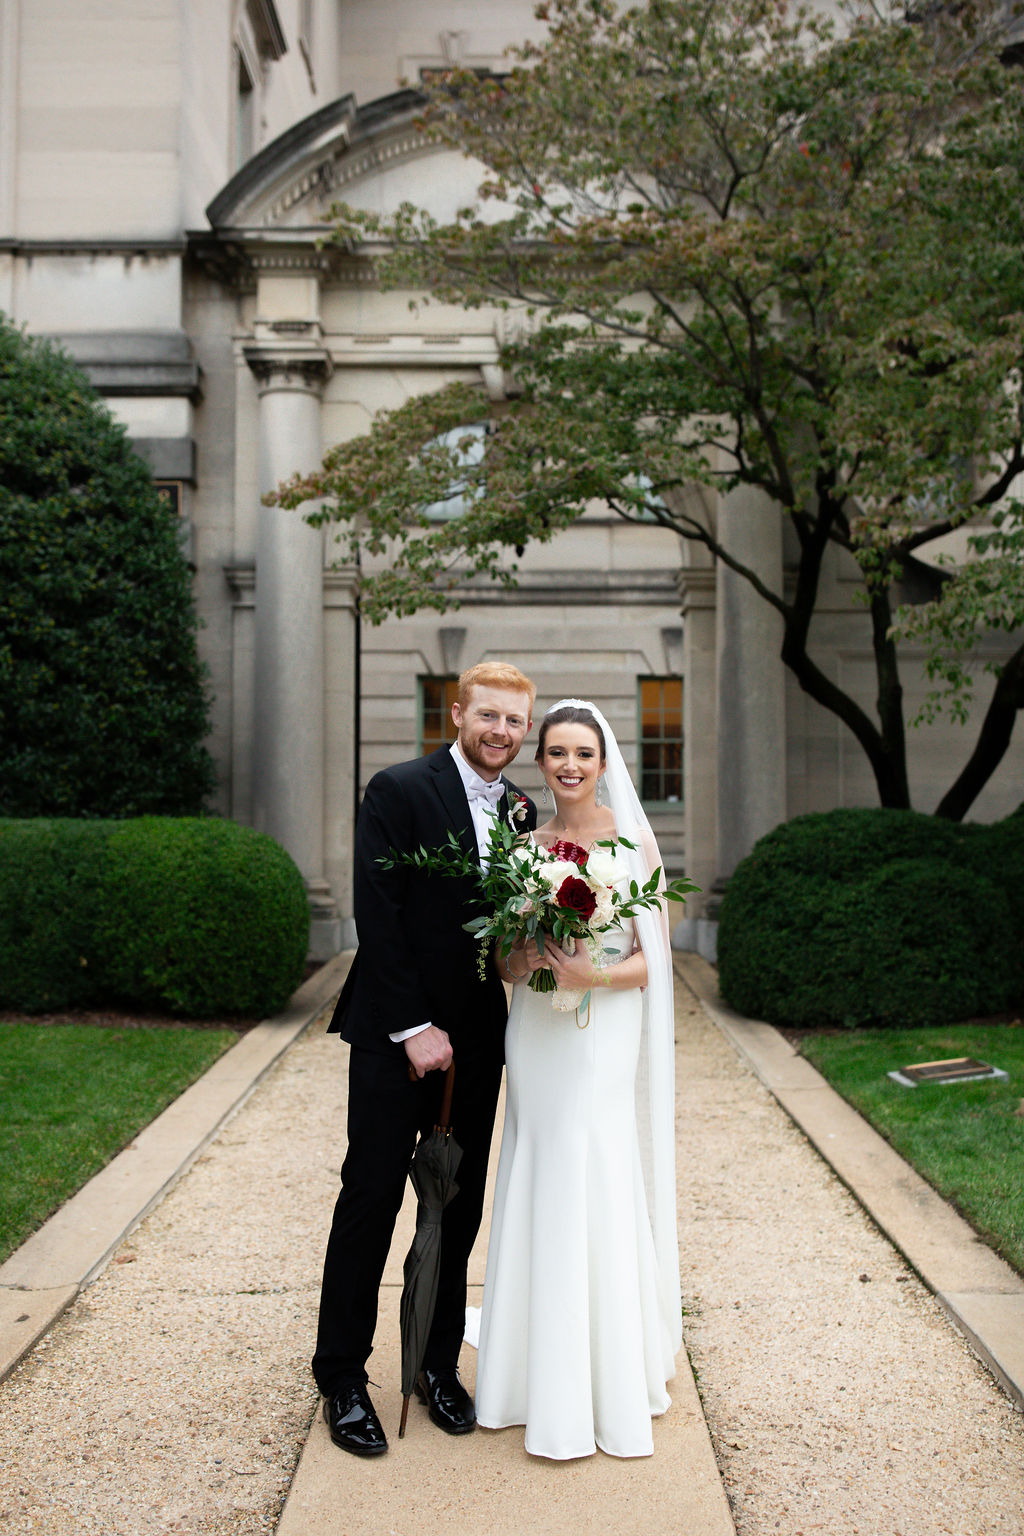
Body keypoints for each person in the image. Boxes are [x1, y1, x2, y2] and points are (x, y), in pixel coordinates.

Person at [312, 662, 536, 1457]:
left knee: (456, 1207)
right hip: (392, 1038)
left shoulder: (519, 810)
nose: (501, 732)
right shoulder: (398, 789)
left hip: (478, 1042)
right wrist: (413, 1028)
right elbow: (380, 911)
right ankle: (341, 1376)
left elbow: (503, 930)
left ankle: (435, 1366)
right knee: (370, 1200)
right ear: (457, 713)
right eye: (489, 716)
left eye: (515, 721)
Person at [474, 699, 681, 1459]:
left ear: (602, 761)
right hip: (536, 1032)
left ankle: (605, 1376)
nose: (569, 765)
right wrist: (522, 956)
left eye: (582, 754)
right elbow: (501, 961)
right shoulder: (524, 846)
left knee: (594, 1165)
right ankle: (532, 1373)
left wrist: (592, 975)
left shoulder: (635, 845)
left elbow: (654, 963)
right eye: (556, 753)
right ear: (542, 763)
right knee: (541, 1166)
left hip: (602, 1032)